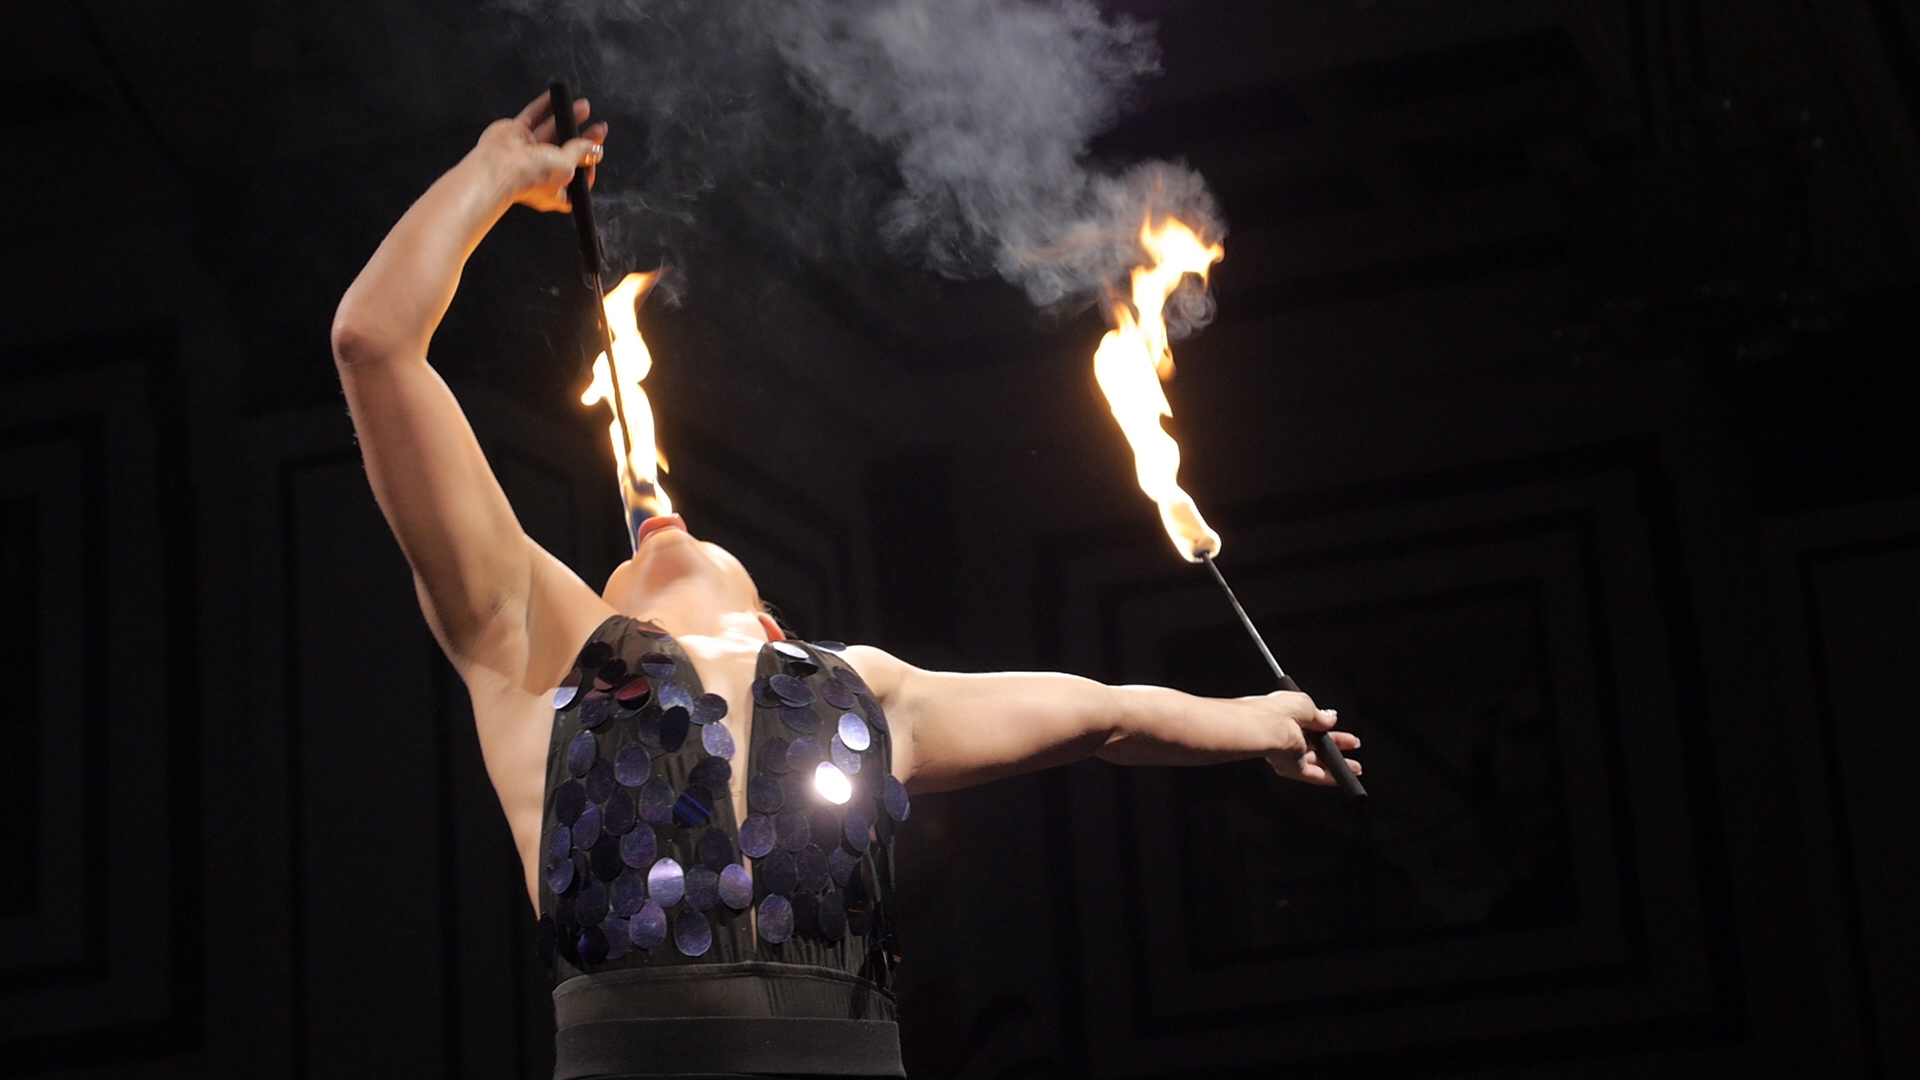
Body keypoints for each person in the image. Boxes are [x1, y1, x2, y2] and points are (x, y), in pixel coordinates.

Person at [330, 91, 1361, 1080]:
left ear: (770, 616)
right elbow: (375, 345)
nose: (658, 526)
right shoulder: (539, 647)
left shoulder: (860, 689)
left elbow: (1104, 714)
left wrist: (1260, 721)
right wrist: (492, 173)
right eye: (623, 562)